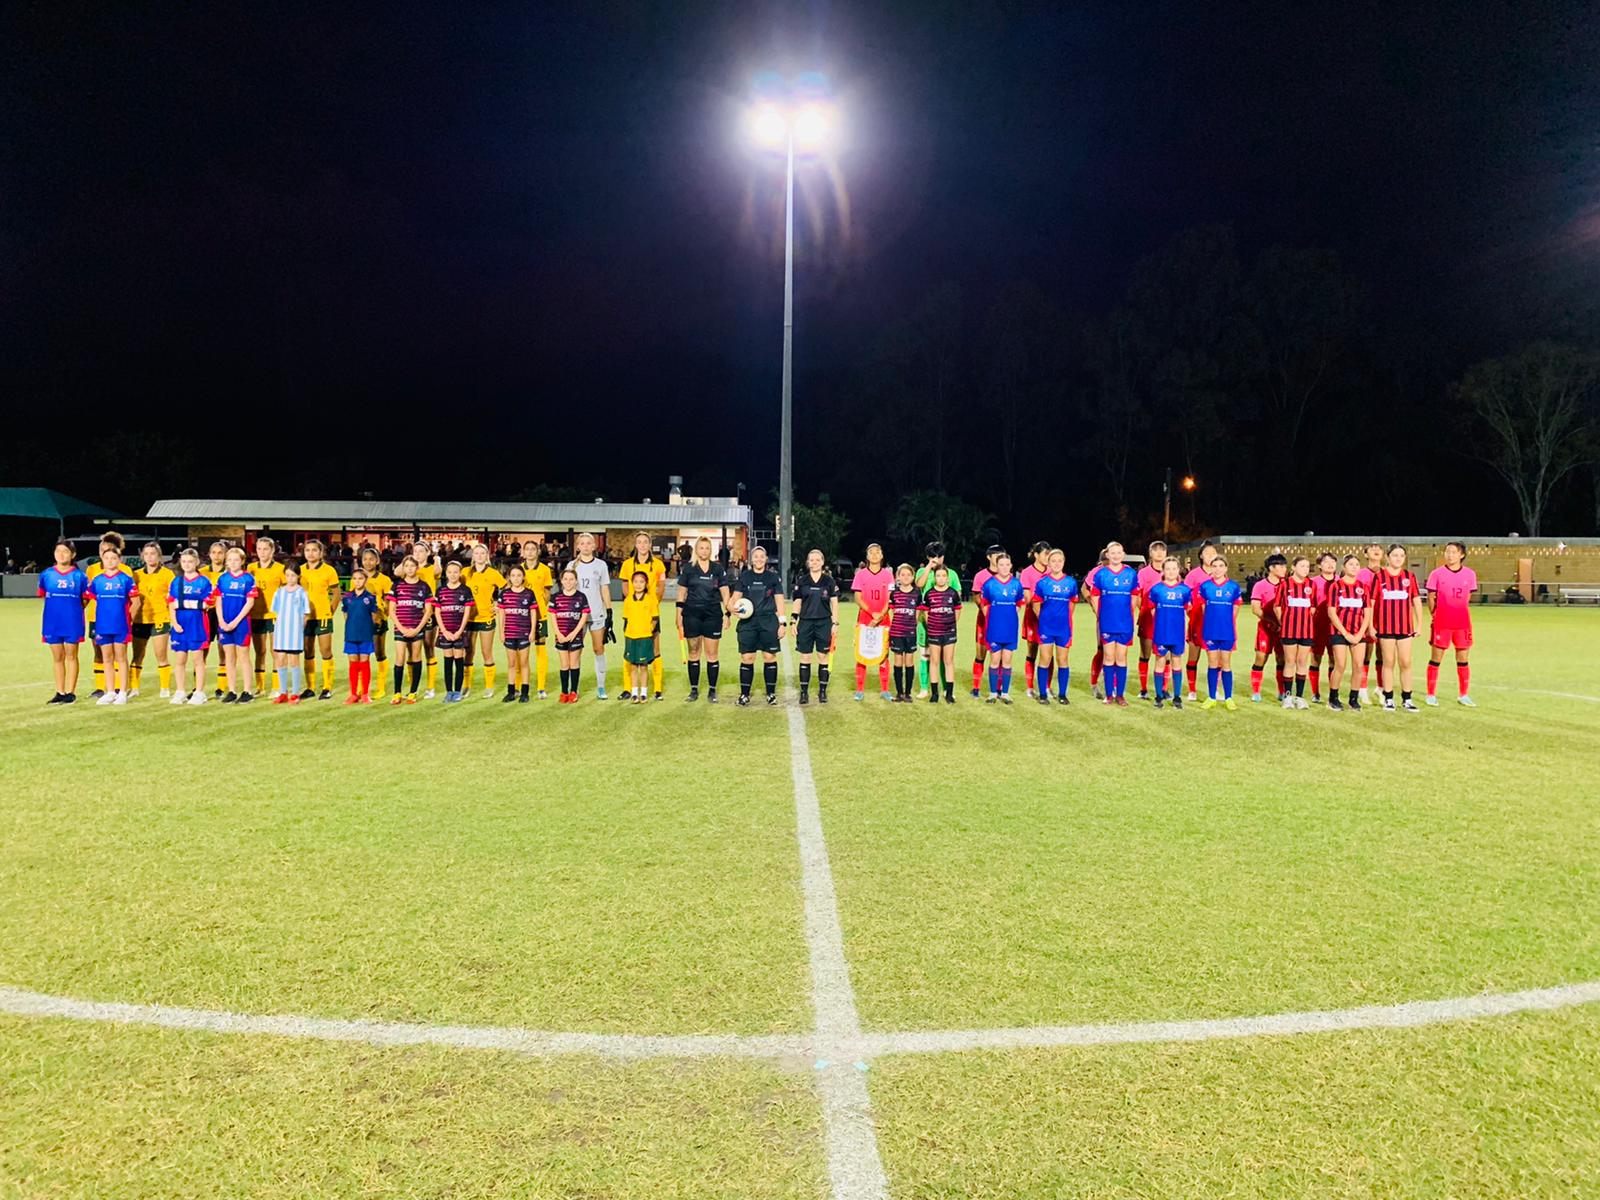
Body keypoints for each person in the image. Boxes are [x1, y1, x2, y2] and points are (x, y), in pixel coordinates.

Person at [729, 544, 786, 706]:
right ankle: (744, 695)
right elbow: (735, 598)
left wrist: (782, 623)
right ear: (751, 559)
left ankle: (771, 694)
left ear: (766, 559)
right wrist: (731, 607)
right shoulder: (745, 577)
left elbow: (779, 600)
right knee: (747, 657)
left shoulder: (773, 578)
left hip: (768, 621)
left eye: (762, 556)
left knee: (769, 657)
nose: (759, 559)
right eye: (756, 556)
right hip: (748, 623)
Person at [677, 536, 730, 702]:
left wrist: (728, 614)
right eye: (701, 548)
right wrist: (678, 617)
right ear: (696, 550)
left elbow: (725, 593)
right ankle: (694, 690)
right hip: (691, 614)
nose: (704, 551)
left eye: (707, 548)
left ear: (710, 550)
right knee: (694, 652)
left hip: (713, 615)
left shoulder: (717, 569)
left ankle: (712, 691)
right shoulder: (688, 569)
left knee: (712, 653)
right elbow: (681, 594)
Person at [1425, 541, 1478, 707]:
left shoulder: (1470, 574)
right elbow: (1431, 597)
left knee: (1463, 659)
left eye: (1454, 552)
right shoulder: (1436, 574)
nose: (1450, 555)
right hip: (1442, 623)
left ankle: (1463, 694)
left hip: (1462, 623)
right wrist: (1435, 615)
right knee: (1436, 659)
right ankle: (1431, 694)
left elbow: (1467, 598)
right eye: (1447, 552)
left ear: (1461, 555)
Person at [1373, 543, 1425, 712]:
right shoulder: (1379, 576)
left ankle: (1407, 699)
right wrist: (1371, 626)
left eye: (1401, 555)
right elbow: (1371, 603)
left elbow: (1416, 600)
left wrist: (1419, 624)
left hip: (1405, 628)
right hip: (1386, 628)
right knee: (1388, 662)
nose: (1398, 558)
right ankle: (1388, 698)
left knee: (1406, 662)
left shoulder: (1409, 576)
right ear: (1388, 557)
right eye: (1395, 555)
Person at [1088, 542, 1140, 707]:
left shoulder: (1130, 574)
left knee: (1121, 657)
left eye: (1119, 552)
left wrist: (1129, 612)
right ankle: (1109, 694)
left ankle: (1121, 695)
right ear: (1108, 555)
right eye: (1113, 553)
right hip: (1107, 622)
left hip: (1124, 622)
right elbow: (1094, 596)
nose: (1116, 555)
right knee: (1108, 656)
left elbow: (1135, 595)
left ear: (1123, 555)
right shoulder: (1101, 574)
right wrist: (1100, 614)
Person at [617, 532, 668, 700]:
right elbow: (625, 587)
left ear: (650, 544)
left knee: (655, 650)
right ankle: (628, 689)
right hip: (633, 614)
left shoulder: (658, 565)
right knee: (629, 651)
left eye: (645, 542)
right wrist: (633, 603)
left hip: (650, 613)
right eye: (639, 542)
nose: (642, 545)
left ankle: (657, 689)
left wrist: (652, 603)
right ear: (635, 544)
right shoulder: (627, 564)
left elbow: (661, 587)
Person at [38, 539, 89, 705]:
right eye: (58, 551)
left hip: (72, 621)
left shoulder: (79, 576)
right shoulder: (46, 574)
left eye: (65, 551)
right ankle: (60, 692)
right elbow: (43, 595)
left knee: (71, 655)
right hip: (52, 621)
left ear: (73, 555)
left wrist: (74, 610)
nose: (61, 554)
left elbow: (85, 598)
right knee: (57, 657)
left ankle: (70, 692)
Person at [87, 543, 137, 706]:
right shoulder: (97, 580)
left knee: (121, 658)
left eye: (113, 558)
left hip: (120, 624)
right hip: (103, 625)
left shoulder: (126, 579)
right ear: (102, 559)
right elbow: (90, 599)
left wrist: (129, 618)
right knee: (106, 658)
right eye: (107, 558)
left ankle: (122, 692)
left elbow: (136, 602)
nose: (110, 561)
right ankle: (109, 692)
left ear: (119, 560)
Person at [565, 533, 613, 700]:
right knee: (575, 651)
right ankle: (574, 688)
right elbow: (567, 588)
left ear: (594, 546)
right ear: (578, 546)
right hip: (577, 615)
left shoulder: (601, 565)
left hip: (596, 613)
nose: (585, 546)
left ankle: (601, 687)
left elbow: (604, 588)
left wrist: (609, 611)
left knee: (598, 649)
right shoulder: (572, 565)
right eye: (582, 543)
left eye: (588, 543)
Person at [166, 546, 216, 705]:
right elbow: (171, 604)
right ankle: (180, 691)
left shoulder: (204, 582)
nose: (187, 564)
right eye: (184, 561)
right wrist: (174, 622)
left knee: (197, 659)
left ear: (197, 562)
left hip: (197, 624)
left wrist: (183, 604)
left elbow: (208, 603)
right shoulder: (176, 581)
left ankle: (199, 692)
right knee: (180, 659)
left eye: (190, 561)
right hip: (180, 625)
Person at [1030, 548, 1079, 705]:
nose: (1056, 564)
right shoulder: (1042, 583)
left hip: (1063, 628)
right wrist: (1044, 619)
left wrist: (1064, 618)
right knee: (1045, 658)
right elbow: (1036, 604)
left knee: (1062, 659)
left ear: (1063, 562)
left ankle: (1062, 694)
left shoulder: (1071, 583)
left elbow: (1072, 603)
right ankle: (1043, 694)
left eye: (1059, 561)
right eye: (1053, 561)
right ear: (1049, 563)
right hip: (1046, 628)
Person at [791, 548, 840, 704]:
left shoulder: (829, 581)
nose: (815, 562)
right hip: (805, 622)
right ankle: (804, 692)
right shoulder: (802, 581)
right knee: (805, 656)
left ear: (822, 562)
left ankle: (822, 691)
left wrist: (835, 622)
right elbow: (797, 602)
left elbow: (834, 603)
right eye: (811, 560)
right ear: (808, 562)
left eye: (818, 560)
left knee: (822, 656)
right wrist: (793, 621)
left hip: (824, 623)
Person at [1325, 553, 1373, 712]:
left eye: (1357, 564)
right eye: (1351, 564)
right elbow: (1331, 612)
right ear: (1344, 567)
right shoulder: (1336, 586)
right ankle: (1333, 698)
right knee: (1340, 665)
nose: (1354, 567)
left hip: (1358, 632)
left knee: (1358, 666)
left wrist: (1360, 633)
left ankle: (1353, 699)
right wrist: (1345, 633)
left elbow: (1367, 612)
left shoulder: (1363, 587)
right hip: (1339, 631)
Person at [914, 543, 961, 699]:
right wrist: (929, 567)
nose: (936, 559)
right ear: (928, 557)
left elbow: (957, 597)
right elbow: (919, 585)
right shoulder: (922, 571)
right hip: (925, 621)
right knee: (925, 655)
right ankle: (924, 688)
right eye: (933, 556)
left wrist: (952, 621)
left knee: (945, 658)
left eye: (939, 556)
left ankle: (946, 689)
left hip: (946, 623)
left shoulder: (951, 574)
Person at [213, 546, 259, 703]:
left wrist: (235, 622)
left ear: (242, 561)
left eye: (236, 560)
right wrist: (221, 621)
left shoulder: (248, 579)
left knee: (244, 656)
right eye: (230, 560)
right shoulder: (222, 579)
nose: (232, 563)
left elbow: (249, 603)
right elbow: (218, 601)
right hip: (225, 623)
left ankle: (247, 691)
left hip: (241, 623)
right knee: (229, 657)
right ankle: (232, 690)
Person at [1196, 554, 1243, 710]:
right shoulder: (1205, 587)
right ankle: (1212, 697)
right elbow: (1204, 609)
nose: (1217, 569)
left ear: (1226, 568)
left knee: (1226, 664)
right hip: (1210, 631)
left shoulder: (1233, 587)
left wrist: (1226, 624)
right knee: (1212, 663)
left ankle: (1228, 698)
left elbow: (1235, 610)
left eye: (1221, 566)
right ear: (1211, 568)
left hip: (1227, 631)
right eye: (1214, 566)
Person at [460, 543, 506, 700]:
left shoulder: (493, 573)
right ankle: (466, 686)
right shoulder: (465, 572)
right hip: (469, 619)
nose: (479, 556)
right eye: (476, 553)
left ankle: (489, 687)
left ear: (487, 556)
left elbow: (506, 588)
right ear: (473, 556)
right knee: (468, 652)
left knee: (486, 652)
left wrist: (498, 604)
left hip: (486, 617)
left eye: (482, 553)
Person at [83, 530, 126, 696]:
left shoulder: (125, 572)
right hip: (96, 617)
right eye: (101, 550)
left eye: (106, 549)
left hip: (118, 619)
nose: (103, 552)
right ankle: (101, 687)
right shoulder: (92, 569)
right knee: (99, 652)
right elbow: (88, 595)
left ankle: (118, 686)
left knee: (118, 654)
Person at [1145, 556, 1192, 710]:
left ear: (1178, 570)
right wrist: (1161, 623)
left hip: (1177, 633)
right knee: (1159, 661)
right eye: (1168, 569)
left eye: (1174, 568)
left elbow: (1188, 609)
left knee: (1177, 662)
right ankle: (1159, 696)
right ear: (1163, 571)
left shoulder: (1185, 590)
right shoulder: (1156, 589)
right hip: (1161, 633)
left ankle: (1177, 697)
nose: (1171, 571)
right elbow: (1152, 609)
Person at [979, 551, 1025, 704]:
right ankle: (993, 693)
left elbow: (1019, 603)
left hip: (1010, 628)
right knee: (994, 659)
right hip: (994, 628)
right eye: (1001, 565)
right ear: (996, 566)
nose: (1004, 567)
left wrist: (1009, 616)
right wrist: (993, 618)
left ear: (1011, 566)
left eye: (1007, 564)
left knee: (1007, 660)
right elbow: (984, 605)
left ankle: (1005, 693)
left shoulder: (1016, 584)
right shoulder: (989, 584)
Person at [850, 543, 895, 701]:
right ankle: (859, 690)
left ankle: (885, 689)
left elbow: (890, 599)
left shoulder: (888, 575)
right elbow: (857, 598)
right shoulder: (860, 574)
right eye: (871, 552)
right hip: (865, 619)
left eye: (877, 552)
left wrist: (881, 615)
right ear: (867, 556)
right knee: (862, 654)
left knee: (883, 655)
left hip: (883, 620)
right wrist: (871, 613)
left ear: (882, 556)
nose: (874, 555)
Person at [298, 539, 341, 700]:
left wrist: (331, 611)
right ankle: (310, 687)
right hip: (305, 617)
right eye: (307, 550)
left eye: (314, 550)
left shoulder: (329, 570)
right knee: (308, 650)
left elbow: (336, 593)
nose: (310, 553)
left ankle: (327, 687)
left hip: (323, 616)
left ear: (321, 552)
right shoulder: (300, 570)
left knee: (325, 651)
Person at [130, 541, 174, 698]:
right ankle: (134, 689)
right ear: (142, 556)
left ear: (159, 556)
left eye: (153, 553)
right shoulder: (136, 575)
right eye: (146, 554)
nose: (149, 557)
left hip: (160, 618)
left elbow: (172, 597)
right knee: (137, 656)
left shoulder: (167, 574)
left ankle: (164, 688)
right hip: (140, 619)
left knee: (161, 655)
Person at [386, 555, 432, 704]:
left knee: (416, 657)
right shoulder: (397, 586)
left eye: (412, 566)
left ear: (417, 568)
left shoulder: (424, 586)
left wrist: (417, 629)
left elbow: (428, 611)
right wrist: (401, 628)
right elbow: (391, 610)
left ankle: (413, 692)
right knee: (400, 658)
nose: (410, 569)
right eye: (407, 566)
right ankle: (397, 693)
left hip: (417, 628)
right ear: (403, 568)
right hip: (401, 628)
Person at [1275, 555, 1319, 710]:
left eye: (1307, 566)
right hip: (1289, 630)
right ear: (1293, 567)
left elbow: (1313, 607)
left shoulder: (1311, 585)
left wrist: (1305, 619)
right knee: (1290, 661)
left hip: (1306, 630)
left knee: (1302, 662)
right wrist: (1284, 621)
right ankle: (1287, 697)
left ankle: (1299, 697)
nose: (1305, 569)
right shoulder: (1285, 584)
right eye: (1302, 566)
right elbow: (1277, 606)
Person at [431, 559, 476, 703]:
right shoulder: (441, 591)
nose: (452, 575)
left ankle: (457, 691)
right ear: (446, 573)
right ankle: (449, 691)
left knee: (459, 660)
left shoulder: (465, 590)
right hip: (445, 632)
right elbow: (437, 612)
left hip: (459, 632)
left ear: (460, 573)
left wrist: (460, 631)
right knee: (448, 662)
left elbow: (467, 613)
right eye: (450, 572)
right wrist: (444, 631)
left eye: (455, 572)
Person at [248, 537, 287, 697]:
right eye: (259, 549)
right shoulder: (250, 568)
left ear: (272, 551)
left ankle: (277, 687)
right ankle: (260, 687)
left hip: (274, 615)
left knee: (275, 651)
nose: (262, 552)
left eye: (265, 549)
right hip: (255, 614)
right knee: (260, 651)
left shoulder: (280, 569)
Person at [549, 567, 593, 703]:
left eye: (571, 579)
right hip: (561, 635)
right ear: (561, 581)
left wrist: (574, 633)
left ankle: (573, 691)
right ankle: (564, 692)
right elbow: (553, 617)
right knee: (564, 664)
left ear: (576, 581)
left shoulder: (581, 597)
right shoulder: (555, 597)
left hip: (576, 635)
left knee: (574, 663)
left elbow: (584, 616)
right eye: (566, 579)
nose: (568, 582)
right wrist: (558, 633)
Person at [1249, 554, 1289, 703]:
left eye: (1285, 566)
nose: (1284, 569)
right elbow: (1255, 609)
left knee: (1282, 659)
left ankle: (1281, 691)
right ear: (1271, 568)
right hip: (1266, 629)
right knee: (1261, 658)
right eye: (1281, 566)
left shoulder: (1287, 585)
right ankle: (1256, 691)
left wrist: (1282, 624)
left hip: (1283, 629)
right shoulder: (1260, 585)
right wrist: (1272, 621)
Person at [1182, 540, 1219, 700]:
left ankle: (1214, 691)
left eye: (1213, 553)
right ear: (1201, 556)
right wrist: (1190, 612)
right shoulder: (1193, 575)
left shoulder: (1220, 574)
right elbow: (1185, 596)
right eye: (1207, 553)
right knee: (1193, 657)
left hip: (1215, 624)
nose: (1211, 556)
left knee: (1216, 659)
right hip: (1197, 622)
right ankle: (1192, 690)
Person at [518, 541, 555, 698]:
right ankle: (519, 686)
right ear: (523, 552)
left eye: (533, 549)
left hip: (540, 615)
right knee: (520, 652)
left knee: (540, 650)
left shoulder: (545, 569)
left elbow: (547, 593)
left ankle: (541, 687)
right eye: (527, 549)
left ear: (538, 551)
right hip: (521, 616)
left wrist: (540, 607)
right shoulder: (519, 570)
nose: (530, 552)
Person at [269, 562, 309, 703]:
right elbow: (276, 611)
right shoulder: (279, 592)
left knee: (294, 661)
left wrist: (300, 629)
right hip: (281, 632)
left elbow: (306, 613)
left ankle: (295, 693)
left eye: (293, 575)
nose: (290, 578)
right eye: (287, 575)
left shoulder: (302, 593)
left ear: (298, 576)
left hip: (294, 632)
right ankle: (283, 692)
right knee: (280, 660)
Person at [338, 568, 379, 704]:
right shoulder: (347, 598)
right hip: (351, 634)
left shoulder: (370, 598)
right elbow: (345, 615)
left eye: (360, 578)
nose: (357, 581)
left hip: (365, 634)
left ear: (365, 580)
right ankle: (354, 694)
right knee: (353, 663)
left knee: (364, 662)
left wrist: (366, 627)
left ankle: (365, 694)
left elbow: (374, 616)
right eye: (355, 578)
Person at [1135, 540, 1169, 700]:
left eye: (1162, 550)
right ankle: (1143, 689)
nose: (1159, 553)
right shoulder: (1143, 573)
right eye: (1156, 550)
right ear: (1150, 554)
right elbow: (1138, 595)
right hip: (1148, 619)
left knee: (1165, 655)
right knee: (1145, 654)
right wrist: (1144, 610)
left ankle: (1164, 689)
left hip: (1167, 621)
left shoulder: (1170, 571)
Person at [622, 569, 662, 703]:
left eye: (641, 582)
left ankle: (643, 692)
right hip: (631, 637)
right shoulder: (628, 600)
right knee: (633, 666)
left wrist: (649, 630)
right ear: (632, 583)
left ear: (646, 584)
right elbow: (626, 619)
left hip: (645, 637)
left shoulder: (651, 600)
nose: (638, 584)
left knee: (644, 666)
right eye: (636, 582)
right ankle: (634, 692)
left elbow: (655, 618)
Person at [359, 546, 392, 700]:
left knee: (379, 653)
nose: (368, 562)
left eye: (371, 559)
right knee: (361, 654)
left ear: (377, 561)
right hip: (361, 621)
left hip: (378, 620)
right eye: (365, 559)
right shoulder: (357, 578)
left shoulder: (384, 580)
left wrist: (382, 613)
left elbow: (388, 602)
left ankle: (380, 687)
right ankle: (361, 687)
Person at [969, 545, 1002, 698]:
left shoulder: (1006, 575)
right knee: (980, 654)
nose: (999, 557)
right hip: (984, 619)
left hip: (1002, 621)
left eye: (1001, 554)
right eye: (996, 554)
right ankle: (976, 687)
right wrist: (984, 609)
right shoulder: (981, 575)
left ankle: (998, 688)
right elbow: (976, 595)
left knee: (1000, 655)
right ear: (989, 557)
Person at [884, 563, 921, 702]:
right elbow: (893, 611)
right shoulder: (894, 593)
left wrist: (913, 625)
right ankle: (899, 693)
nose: (905, 577)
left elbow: (917, 613)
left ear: (913, 577)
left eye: (908, 575)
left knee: (909, 661)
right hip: (897, 633)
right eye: (902, 574)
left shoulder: (917, 593)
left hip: (910, 633)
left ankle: (908, 693)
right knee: (898, 661)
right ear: (898, 577)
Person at [1019, 541, 1051, 697]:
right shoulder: (1027, 573)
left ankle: (1047, 687)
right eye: (1045, 554)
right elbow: (1027, 598)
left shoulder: (1051, 571)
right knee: (1032, 652)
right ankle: (1030, 687)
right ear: (1036, 555)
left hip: (1050, 617)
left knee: (1049, 653)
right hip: (1033, 616)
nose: (1048, 557)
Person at [1355, 541, 1386, 701]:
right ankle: (1362, 688)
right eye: (1372, 548)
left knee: (1383, 655)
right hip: (1365, 618)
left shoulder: (1387, 573)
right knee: (1366, 654)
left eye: (1379, 548)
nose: (1376, 550)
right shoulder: (1360, 574)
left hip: (1384, 619)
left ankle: (1380, 688)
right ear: (1366, 554)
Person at [411, 541, 442, 697]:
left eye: (421, 551)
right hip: (411, 613)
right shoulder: (410, 568)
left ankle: (430, 687)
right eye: (415, 551)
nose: (417, 554)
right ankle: (413, 687)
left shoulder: (431, 568)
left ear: (427, 553)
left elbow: (438, 571)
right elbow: (397, 572)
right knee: (411, 651)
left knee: (428, 648)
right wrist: (409, 560)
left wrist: (437, 558)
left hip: (428, 612)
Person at [200, 540, 230, 696]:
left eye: (220, 552)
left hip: (224, 614)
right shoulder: (202, 572)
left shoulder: (230, 573)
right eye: (214, 552)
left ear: (225, 555)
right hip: (206, 614)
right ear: (209, 554)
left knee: (223, 650)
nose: (216, 556)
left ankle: (221, 687)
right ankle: (198, 688)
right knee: (202, 650)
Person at [1308, 552, 1339, 703]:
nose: (1330, 564)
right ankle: (1315, 692)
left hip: (1337, 627)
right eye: (1326, 562)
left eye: (1333, 561)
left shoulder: (1341, 581)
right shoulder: (1313, 582)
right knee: (1316, 659)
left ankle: (1333, 692)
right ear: (1319, 565)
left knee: (1335, 660)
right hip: (1318, 627)